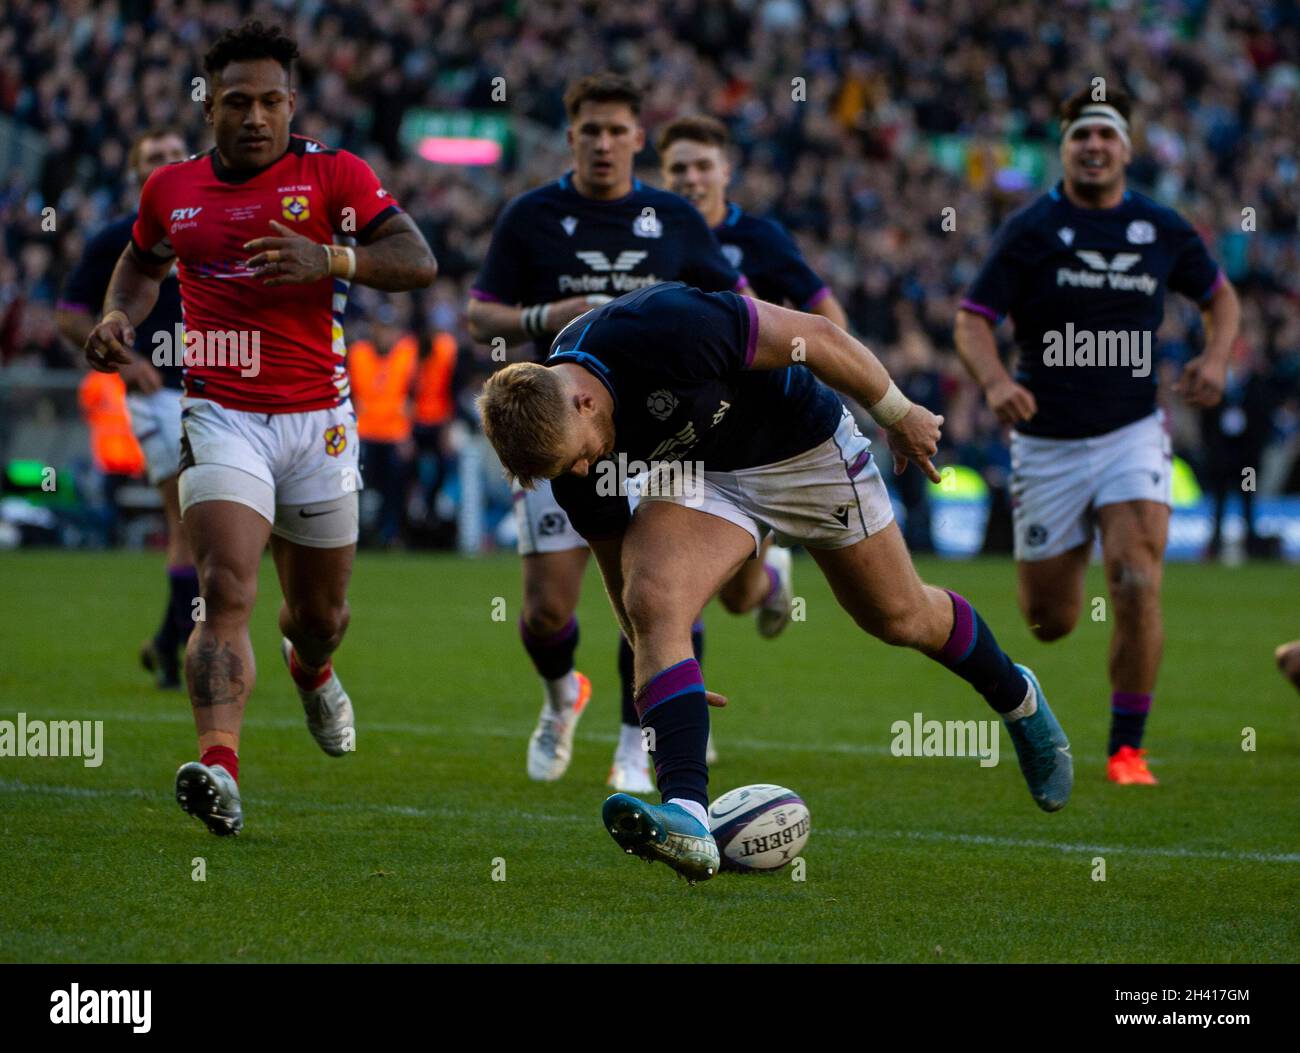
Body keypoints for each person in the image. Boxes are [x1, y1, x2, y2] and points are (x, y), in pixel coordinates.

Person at [478, 281, 1074, 883]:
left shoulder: (663, 327)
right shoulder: (565, 457)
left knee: (898, 617)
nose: (583, 470)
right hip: (700, 476)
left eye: (579, 457)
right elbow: (618, 568)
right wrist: (650, 667)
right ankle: (686, 813)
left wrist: (899, 414)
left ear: (582, 401)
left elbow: (815, 337)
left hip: (801, 447)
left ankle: (1016, 697)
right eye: (569, 469)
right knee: (654, 598)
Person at [83, 20, 436, 835]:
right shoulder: (170, 189)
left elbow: (417, 260)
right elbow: (141, 260)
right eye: (236, 101)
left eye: (271, 101)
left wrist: (334, 260)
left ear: (292, 103)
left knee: (321, 617)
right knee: (226, 589)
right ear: (208, 107)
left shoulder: (335, 173)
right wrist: (115, 314)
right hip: (219, 413)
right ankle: (220, 767)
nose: (254, 117)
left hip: (321, 421)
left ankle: (311, 670)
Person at [467, 73, 751, 795]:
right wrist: (546, 316)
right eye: (589, 129)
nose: (602, 142)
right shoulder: (531, 216)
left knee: (659, 591)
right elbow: (479, 317)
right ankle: (564, 695)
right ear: (571, 136)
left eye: (616, 129)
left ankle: (636, 738)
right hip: (566, 430)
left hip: (662, 430)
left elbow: (734, 303)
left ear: (637, 137)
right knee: (548, 607)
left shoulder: (675, 217)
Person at [954, 86, 1239, 786]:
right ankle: (1070, 564)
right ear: (1063, 146)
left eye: (1107, 135)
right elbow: (971, 318)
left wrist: (1215, 356)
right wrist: (994, 383)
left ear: (1128, 148)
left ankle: (1126, 749)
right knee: (1050, 620)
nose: (1094, 147)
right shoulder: (1030, 229)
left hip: (1131, 432)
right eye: (1081, 134)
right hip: (1046, 441)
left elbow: (1220, 296)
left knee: (1139, 579)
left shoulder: (1161, 228)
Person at [57, 128, 196, 688]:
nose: (164, 163)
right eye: (152, 158)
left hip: (217, 391)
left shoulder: (204, 229)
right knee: (188, 517)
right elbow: (70, 315)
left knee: (219, 524)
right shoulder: (115, 239)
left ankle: (166, 641)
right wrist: (121, 360)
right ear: (136, 172)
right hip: (155, 395)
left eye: (172, 155)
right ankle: (186, 650)